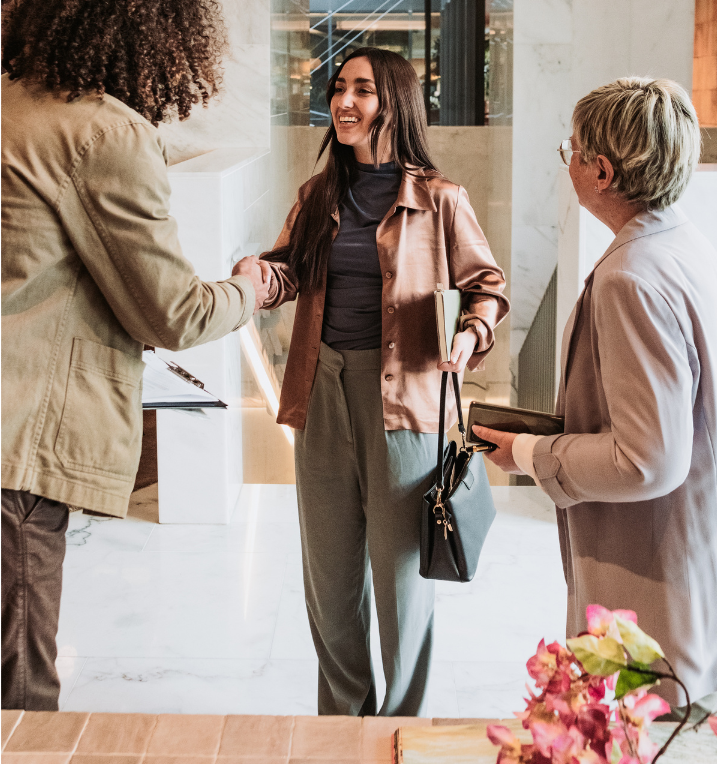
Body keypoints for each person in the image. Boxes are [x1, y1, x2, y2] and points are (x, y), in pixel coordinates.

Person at [0, 0, 269, 711]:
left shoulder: (11, 106)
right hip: (13, 446)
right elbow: (173, 314)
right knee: (20, 695)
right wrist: (253, 289)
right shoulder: (103, 135)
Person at [237, 47, 509, 717]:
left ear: (395, 101)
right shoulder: (317, 195)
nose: (343, 101)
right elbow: (289, 271)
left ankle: (399, 729)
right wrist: (256, 278)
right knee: (329, 583)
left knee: (400, 585)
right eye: (338, 88)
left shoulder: (440, 199)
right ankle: (343, 727)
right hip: (321, 392)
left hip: (405, 405)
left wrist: (470, 332)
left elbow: (487, 285)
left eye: (361, 89)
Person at [474, 77, 717, 709]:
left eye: (573, 150)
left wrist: (530, 454)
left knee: (636, 728)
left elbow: (646, 460)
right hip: (688, 545)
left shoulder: (630, 278)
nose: (570, 161)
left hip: (649, 573)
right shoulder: (681, 243)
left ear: (601, 171)